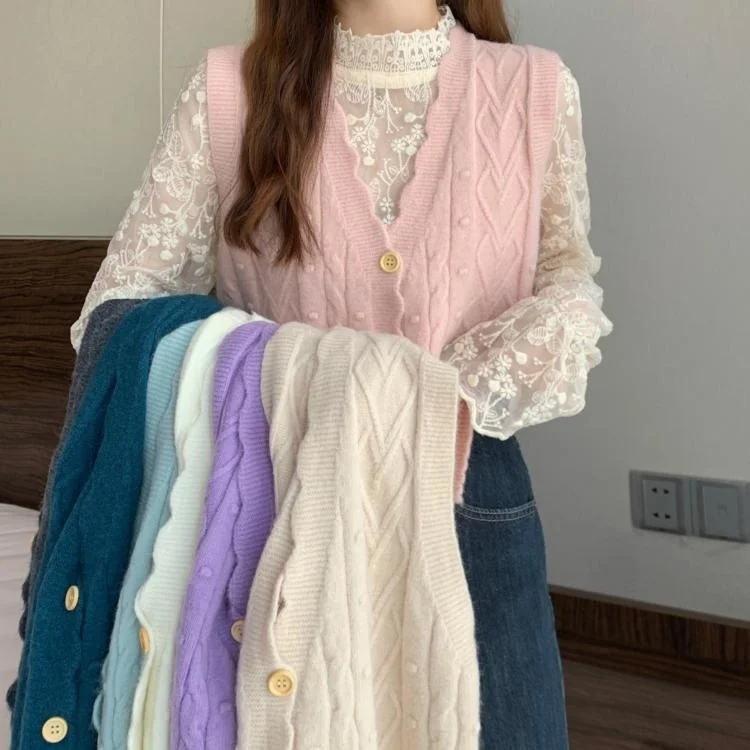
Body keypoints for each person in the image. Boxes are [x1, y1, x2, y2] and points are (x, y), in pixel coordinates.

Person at [73, 1, 612, 747]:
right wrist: (322, 381)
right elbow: (116, 316)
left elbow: (569, 285)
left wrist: (437, 394)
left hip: (470, 494)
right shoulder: (231, 89)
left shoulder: (534, 86)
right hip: (279, 503)